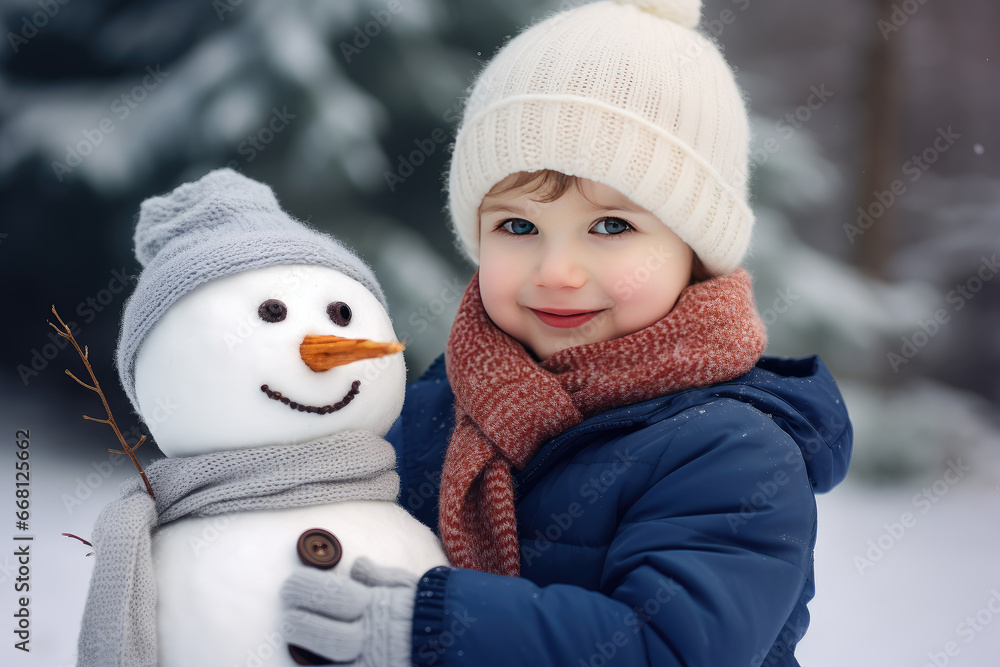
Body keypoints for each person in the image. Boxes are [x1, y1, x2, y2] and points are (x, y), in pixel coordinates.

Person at [279, 1, 852, 665]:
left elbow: (666, 648)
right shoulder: (438, 407)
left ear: (695, 252)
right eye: (518, 227)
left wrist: (431, 622)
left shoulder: (734, 453)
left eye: (610, 226)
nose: (556, 271)